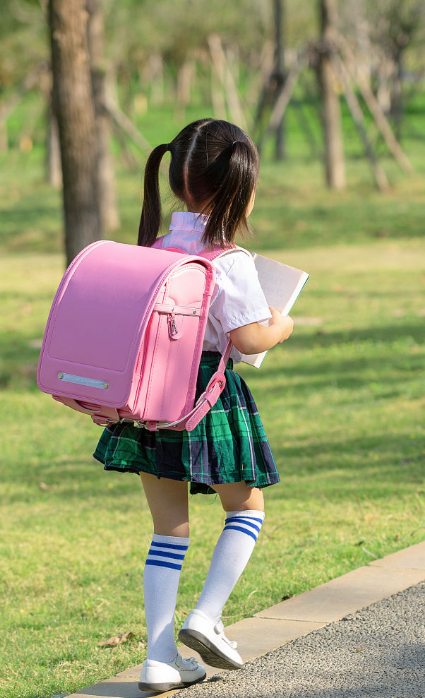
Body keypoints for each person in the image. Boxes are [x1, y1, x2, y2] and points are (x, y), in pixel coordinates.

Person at [93, 119, 295, 693]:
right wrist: (283, 325)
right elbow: (251, 338)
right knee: (246, 508)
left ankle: (158, 658)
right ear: (239, 183)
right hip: (208, 394)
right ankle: (206, 617)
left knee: (167, 532)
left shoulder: (156, 249)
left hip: (152, 398)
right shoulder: (229, 261)